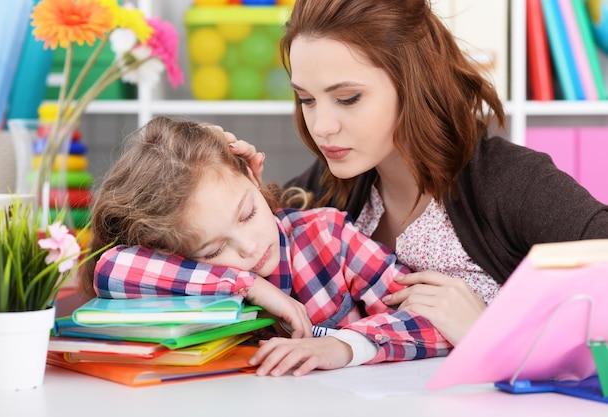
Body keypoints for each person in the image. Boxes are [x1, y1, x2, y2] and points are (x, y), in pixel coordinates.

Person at [218, 0, 608, 346]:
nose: (321, 126)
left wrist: (489, 330)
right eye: (306, 99)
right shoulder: (330, 185)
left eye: (347, 98)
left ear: (413, 83)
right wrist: (220, 184)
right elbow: (182, 260)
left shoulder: (512, 182)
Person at [81, 116, 451, 377]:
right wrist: (248, 286)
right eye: (212, 251)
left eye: (247, 214)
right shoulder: (183, 273)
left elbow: (434, 321)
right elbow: (109, 268)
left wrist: (346, 346)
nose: (249, 248)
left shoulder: (327, 239)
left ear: (252, 176)